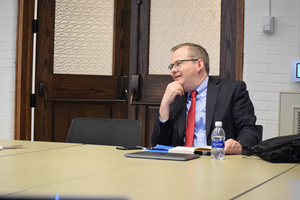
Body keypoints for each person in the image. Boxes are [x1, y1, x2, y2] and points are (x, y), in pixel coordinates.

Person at [151, 43, 259, 155]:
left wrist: (239, 144)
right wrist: (164, 106)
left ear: (199, 64)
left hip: (218, 163)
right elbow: (158, 146)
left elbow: (249, 130)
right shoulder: (174, 97)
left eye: (178, 64)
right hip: (180, 164)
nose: (173, 70)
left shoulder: (231, 90)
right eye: (171, 66)